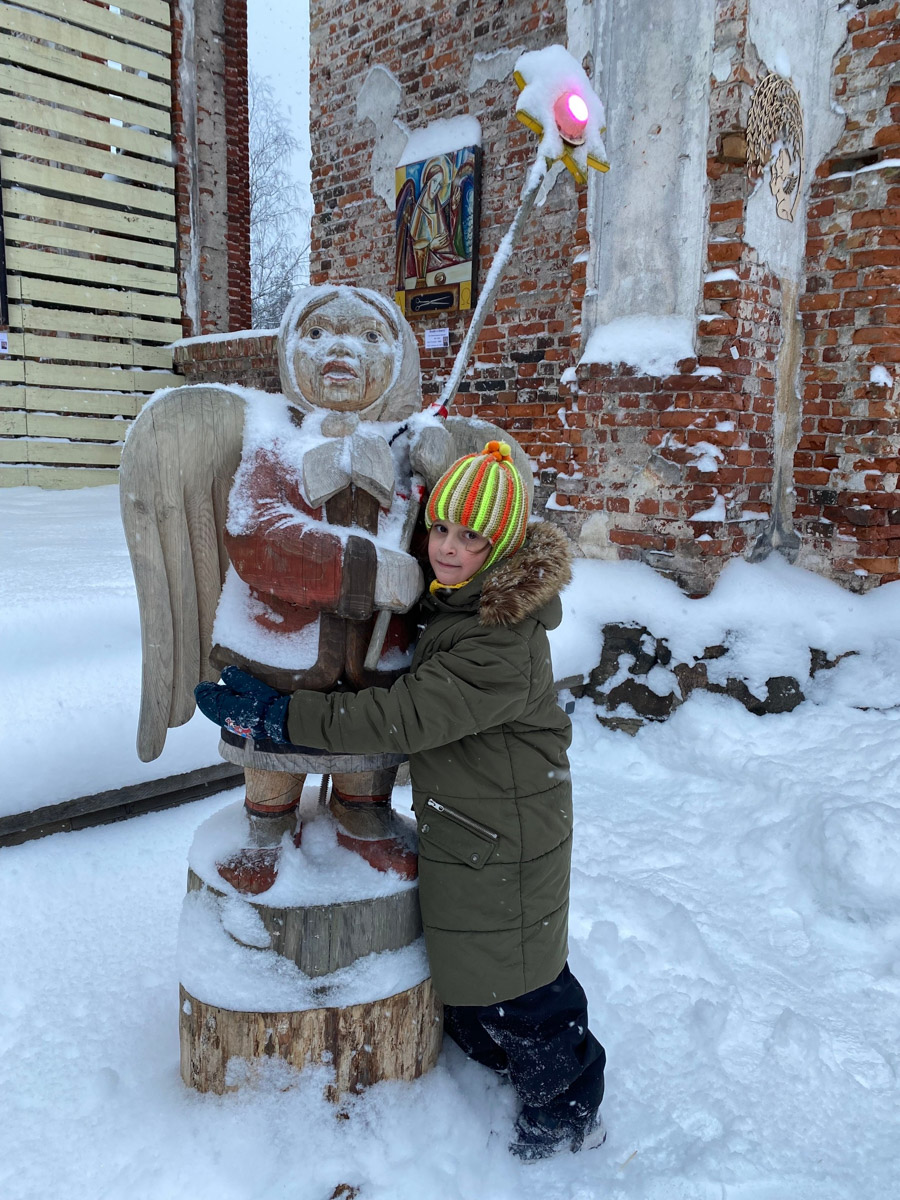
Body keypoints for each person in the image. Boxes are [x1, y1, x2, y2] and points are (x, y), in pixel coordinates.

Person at [195, 440, 607, 1162]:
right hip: (479, 814)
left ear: (504, 546)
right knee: (484, 962)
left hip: (509, 825)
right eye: (441, 529)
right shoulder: (465, 602)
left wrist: (281, 720)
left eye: (471, 537)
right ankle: (487, 1043)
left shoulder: (498, 641)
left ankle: (567, 1111)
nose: (446, 549)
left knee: (524, 978)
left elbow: (401, 719)